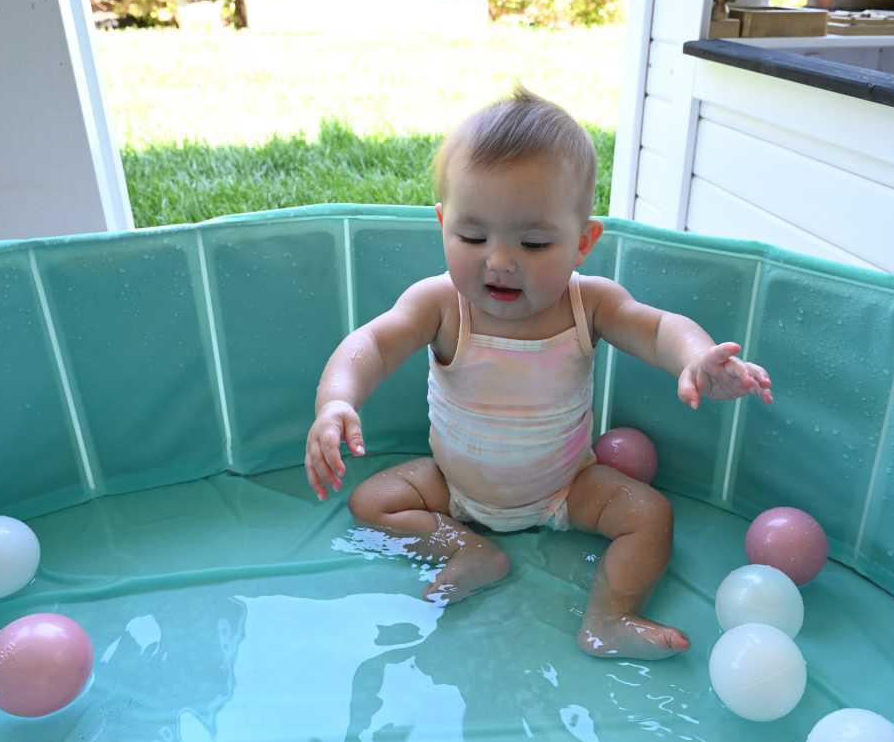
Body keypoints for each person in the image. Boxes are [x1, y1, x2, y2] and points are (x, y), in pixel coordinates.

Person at [305, 87, 773, 660]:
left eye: (533, 242)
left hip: (565, 488)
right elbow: (371, 344)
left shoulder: (589, 304)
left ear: (582, 242)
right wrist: (336, 402)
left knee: (649, 517)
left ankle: (610, 617)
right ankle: (468, 549)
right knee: (372, 500)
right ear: (442, 224)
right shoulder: (441, 304)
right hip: (455, 486)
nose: (499, 260)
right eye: (472, 237)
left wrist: (697, 358)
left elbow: (655, 328)